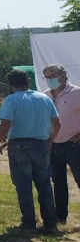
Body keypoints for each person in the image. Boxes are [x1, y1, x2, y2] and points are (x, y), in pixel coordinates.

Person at [0, 69, 60, 232]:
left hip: (19, 146)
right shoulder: (45, 98)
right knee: (44, 184)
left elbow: (5, 124)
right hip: (42, 145)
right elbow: (57, 122)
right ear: (28, 82)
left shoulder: (11, 100)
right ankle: (50, 223)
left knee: (23, 185)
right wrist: (50, 140)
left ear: (11, 84)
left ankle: (29, 222)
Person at [42, 64, 80, 225]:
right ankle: (61, 217)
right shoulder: (45, 95)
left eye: (53, 76)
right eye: (47, 77)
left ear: (63, 75)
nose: (50, 80)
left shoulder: (76, 93)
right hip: (53, 145)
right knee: (58, 182)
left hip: (74, 144)